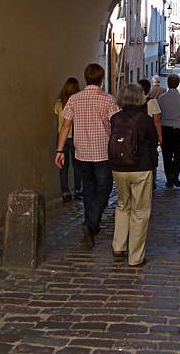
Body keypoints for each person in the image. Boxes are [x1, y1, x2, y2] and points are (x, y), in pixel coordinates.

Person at [55, 63, 119, 248]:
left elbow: (65, 126)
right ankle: (91, 223)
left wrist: (59, 150)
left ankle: (90, 224)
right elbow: (115, 125)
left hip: (81, 152)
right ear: (101, 79)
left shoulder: (74, 99)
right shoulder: (108, 100)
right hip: (102, 153)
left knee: (89, 188)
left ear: (86, 78)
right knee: (104, 189)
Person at [110, 84, 159, 267]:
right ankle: (135, 256)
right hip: (141, 168)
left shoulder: (115, 118)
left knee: (123, 205)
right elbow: (154, 141)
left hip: (119, 169)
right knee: (140, 211)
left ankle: (118, 246)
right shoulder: (144, 119)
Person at [157, 74, 180, 188]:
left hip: (165, 129)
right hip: (178, 129)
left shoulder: (161, 98)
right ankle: (175, 175)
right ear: (177, 84)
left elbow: (158, 114)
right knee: (179, 154)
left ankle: (169, 179)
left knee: (166, 155)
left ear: (167, 83)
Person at [53, 77, 82, 202]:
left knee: (63, 167)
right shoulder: (78, 103)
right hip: (75, 137)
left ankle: (65, 192)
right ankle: (77, 190)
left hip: (62, 138)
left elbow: (58, 117)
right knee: (77, 166)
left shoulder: (59, 103)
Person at [138, 78, 162, 190]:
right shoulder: (152, 102)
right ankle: (151, 182)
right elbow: (157, 120)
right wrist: (160, 136)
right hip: (149, 135)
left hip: (136, 135)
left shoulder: (133, 102)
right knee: (151, 158)